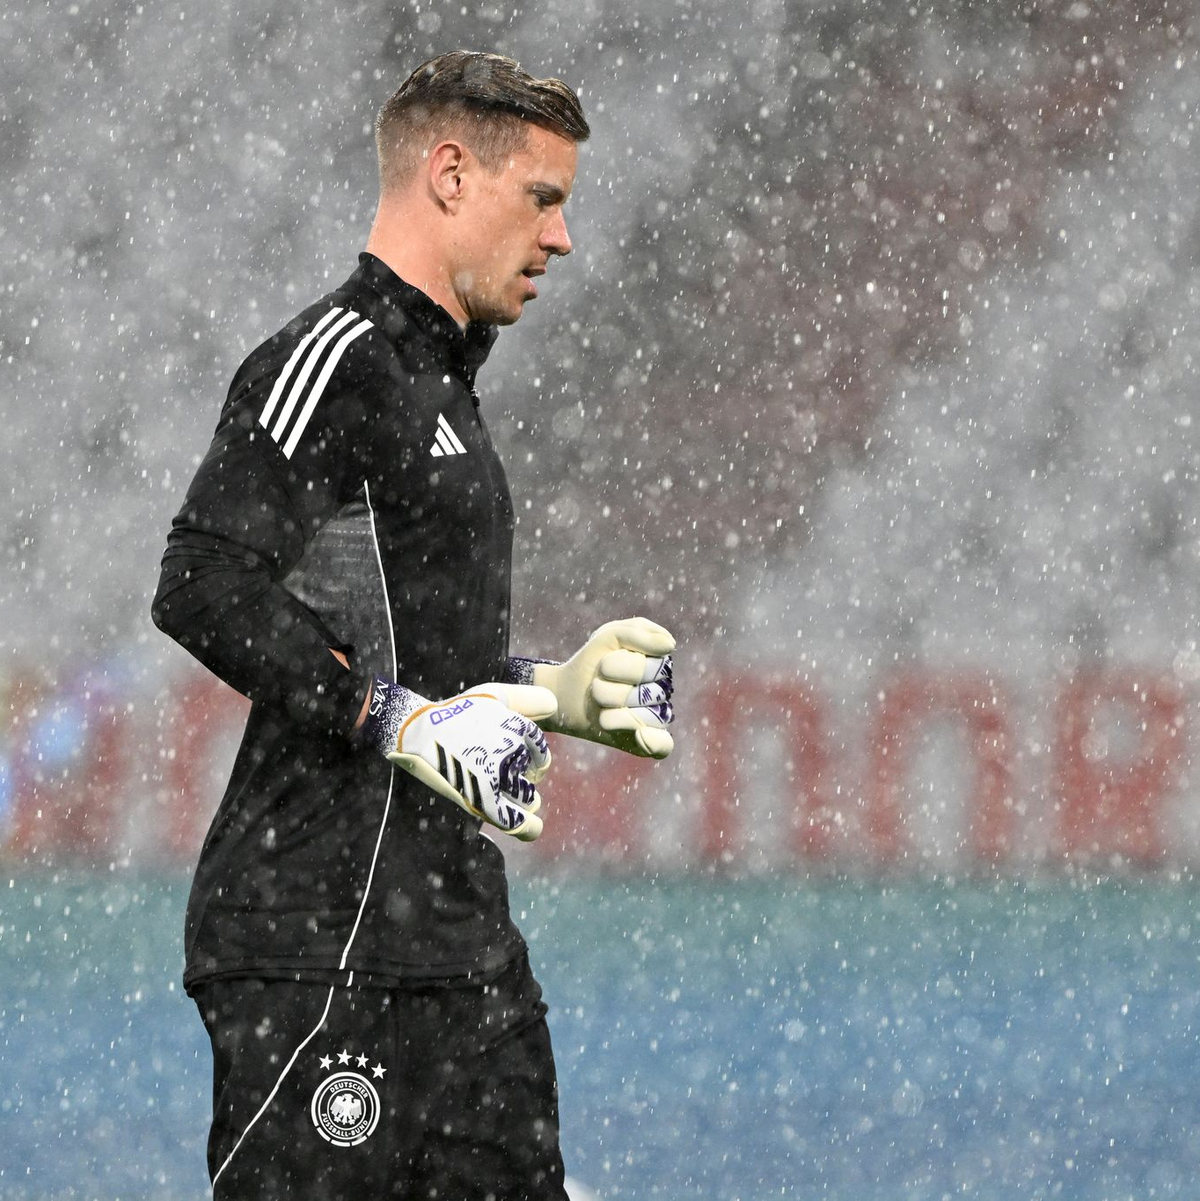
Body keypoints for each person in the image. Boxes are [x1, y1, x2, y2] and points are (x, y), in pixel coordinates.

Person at [151, 51, 675, 1200]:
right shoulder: (331, 359)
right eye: (544, 197)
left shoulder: (445, 387)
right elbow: (201, 579)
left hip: (457, 948)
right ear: (449, 175)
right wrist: (391, 717)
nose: (564, 238)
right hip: (316, 942)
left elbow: (432, 673)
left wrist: (553, 693)